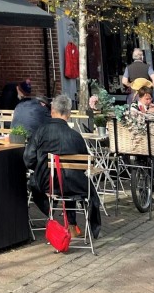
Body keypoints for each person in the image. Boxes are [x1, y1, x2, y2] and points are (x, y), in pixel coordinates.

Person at [23, 94, 100, 237]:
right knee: (71, 179)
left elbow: (28, 159)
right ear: (69, 114)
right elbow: (85, 165)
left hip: (47, 183)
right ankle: (84, 227)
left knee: (36, 182)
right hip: (73, 185)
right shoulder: (76, 136)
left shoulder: (40, 132)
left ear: (52, 111)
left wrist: (40, 169)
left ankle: (51, 216)